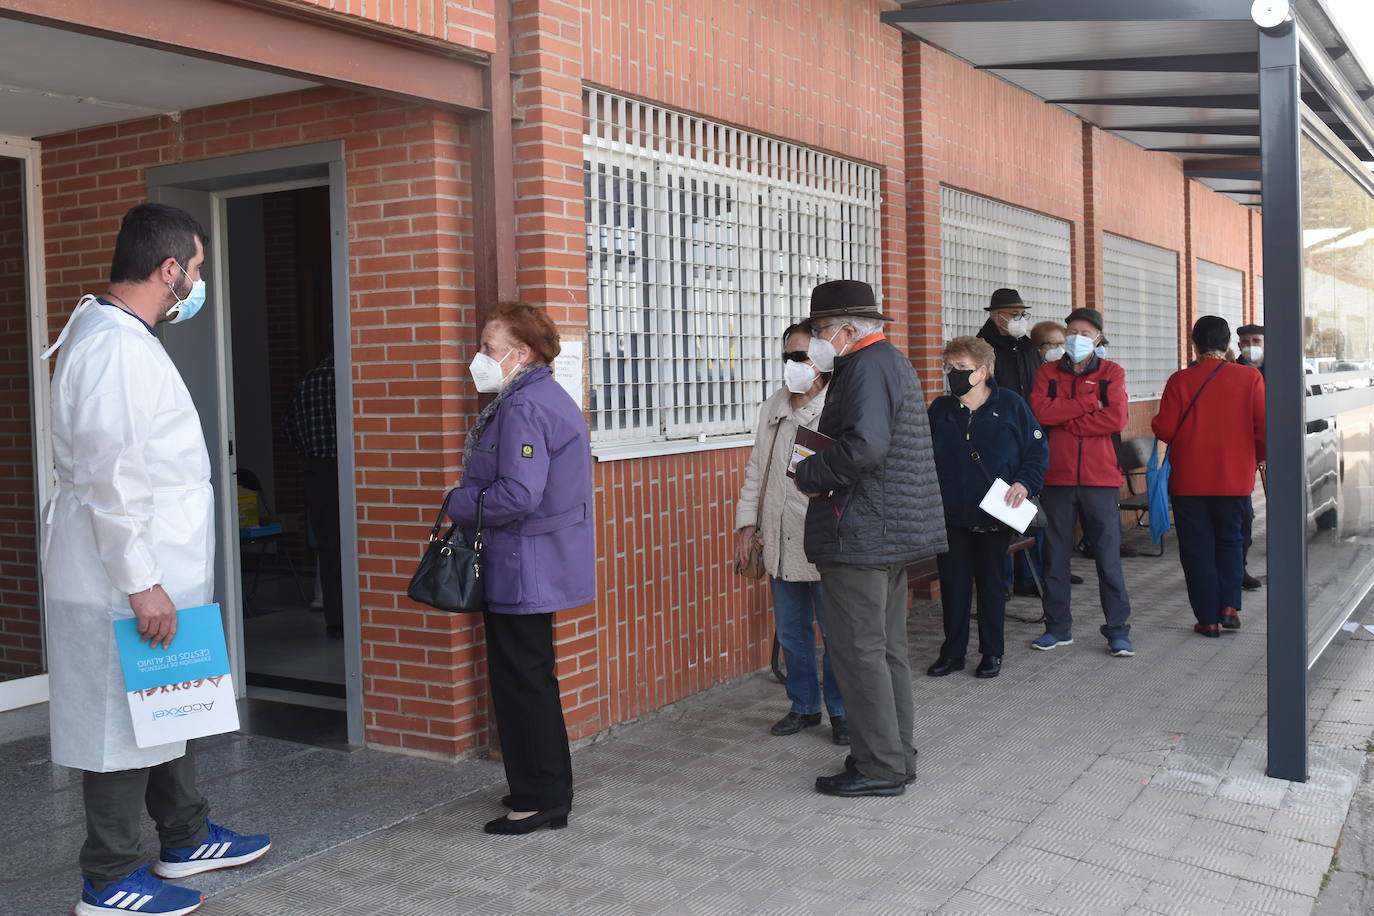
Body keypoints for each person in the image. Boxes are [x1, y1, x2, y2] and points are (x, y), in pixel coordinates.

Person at [42, 203, 270, 916]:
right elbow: (111, 477)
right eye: (196, 269)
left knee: (169, 706)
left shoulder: (121, 335)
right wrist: (142, 585)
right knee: (117, 725)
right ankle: (108, 880)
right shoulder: (111, 346)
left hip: (156, 571)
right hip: (124, 579)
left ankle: (185, 836)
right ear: (169, 270)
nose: (199, 283)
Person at [444, 302, 595, 835]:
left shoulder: (525, 406)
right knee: (528, 679)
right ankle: (541, 786)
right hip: (528, 561)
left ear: (521, 353)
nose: (479, 356)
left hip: (523, 563)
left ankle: (541, 799)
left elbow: (518, 494)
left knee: (523, 682)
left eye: (488, 347)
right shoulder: (541, 395)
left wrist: (456, 503)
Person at [793, 280, 947, 798]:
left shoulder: (864, 366)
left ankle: (880, 766)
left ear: (843, 330)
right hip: (888, 528)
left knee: (860, 652)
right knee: (886, 651)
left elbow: (865, 447)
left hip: (862, 531)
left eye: (818, 331)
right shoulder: (889, 362)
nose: (816, 341)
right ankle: (894, 754)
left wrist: (810, 473)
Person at [734, 325, 847, 745]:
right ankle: (803, 706)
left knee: (836, 634)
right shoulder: (774, 406)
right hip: (778, 535)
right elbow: (755, 468)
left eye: (800, 357)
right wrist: (748, 522)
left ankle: (841, 710)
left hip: (821, 537)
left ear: (822, 361)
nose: (792, 365)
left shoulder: (837, 407)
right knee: (792, 631)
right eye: (788, 356)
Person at [927, 337, 1048, 679]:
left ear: (982, 371)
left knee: (992, 586)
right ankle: (952, 652)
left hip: (995, 515)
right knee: (954, 586)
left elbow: (1036, 452)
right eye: (949, 368)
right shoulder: (941, 409)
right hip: (951, 514)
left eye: (961, 368)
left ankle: (991, 652)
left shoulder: (1010, 405)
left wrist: (1024, 483)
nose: (953, 374)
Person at [1029, 307, 1135, 658]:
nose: (1077, 337)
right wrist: (1088, 404)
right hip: (1056, 477)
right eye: (1072, 330)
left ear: (1099, 339)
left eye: (1086, 333)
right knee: (1055, 557)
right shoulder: (1046, 372)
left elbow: (1116, 418)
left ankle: (1118, 631)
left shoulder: (1112, 373)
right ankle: (1057, 628)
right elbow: (1041, 413)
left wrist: (1069, 420)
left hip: (1100, 478)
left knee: (1107, 558)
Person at [1152, 317, 1266, 637]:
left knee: (1197, 548)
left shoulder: (1180, 380)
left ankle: (1208, 618)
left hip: (1190, 482)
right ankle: (1230, 605)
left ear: (1194, 343)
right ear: (1229, 344)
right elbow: (1262, 428)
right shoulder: (1251, 378)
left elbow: (1165, 429)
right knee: (1231, 541)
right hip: (1234, 479)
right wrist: (1255, 458)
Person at [284, 353, 342, 637]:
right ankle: (358, 619)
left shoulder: (306, 382)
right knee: (358, 545)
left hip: (316, 470)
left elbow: (290, 430)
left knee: (329, 548)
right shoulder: (348, 379)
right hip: (348, 468)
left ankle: (335, 619)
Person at [1235, 324, 1265, 591]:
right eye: (1245, 341)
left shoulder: (1279, 368)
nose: (1250, 345)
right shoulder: (1232, 372)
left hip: (1273, 447)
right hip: (1242, 451)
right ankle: (1239, 567)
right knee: (1243, 513)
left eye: (1256, 340)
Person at [976, 288, 1038, 400]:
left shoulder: (1028, 347)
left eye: (1023, 315)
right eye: (1015, 315)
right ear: (998, 318)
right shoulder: (981, 349)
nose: (1021, 320)